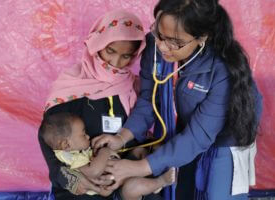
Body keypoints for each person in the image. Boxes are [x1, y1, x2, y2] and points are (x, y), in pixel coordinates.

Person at [92, 0, 263, 200]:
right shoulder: (154, 49)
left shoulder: (222, 69)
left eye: (175, 42)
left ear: (202, 38)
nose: (162, 47)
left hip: (225, 138)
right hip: (183, 130)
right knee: (182, 191)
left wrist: (137, 168)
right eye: (159, 34)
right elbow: (149, 100)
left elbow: (199, 136)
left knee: (216, 193)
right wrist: (121, 137)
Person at [38, 9, 164, 200]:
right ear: (98, 44)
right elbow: (48, 134)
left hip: (123, 175)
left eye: (126, 56)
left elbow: (139, 130)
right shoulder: (72, 85)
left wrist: (137, 152)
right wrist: (63, 176)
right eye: (110, 51)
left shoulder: (134, 87)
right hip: (84, 180)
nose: (115, 62)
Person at [40, 112, 176, 199]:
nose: (87, 136)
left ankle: (152, 172)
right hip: (115, 188)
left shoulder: (75, 150)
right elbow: (94, 171)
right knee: (133, 187)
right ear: (66, 145)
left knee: (139, 151)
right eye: (83, 134)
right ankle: (161, 182)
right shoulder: (69, 158)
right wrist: (105, 152)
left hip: (119, 170)